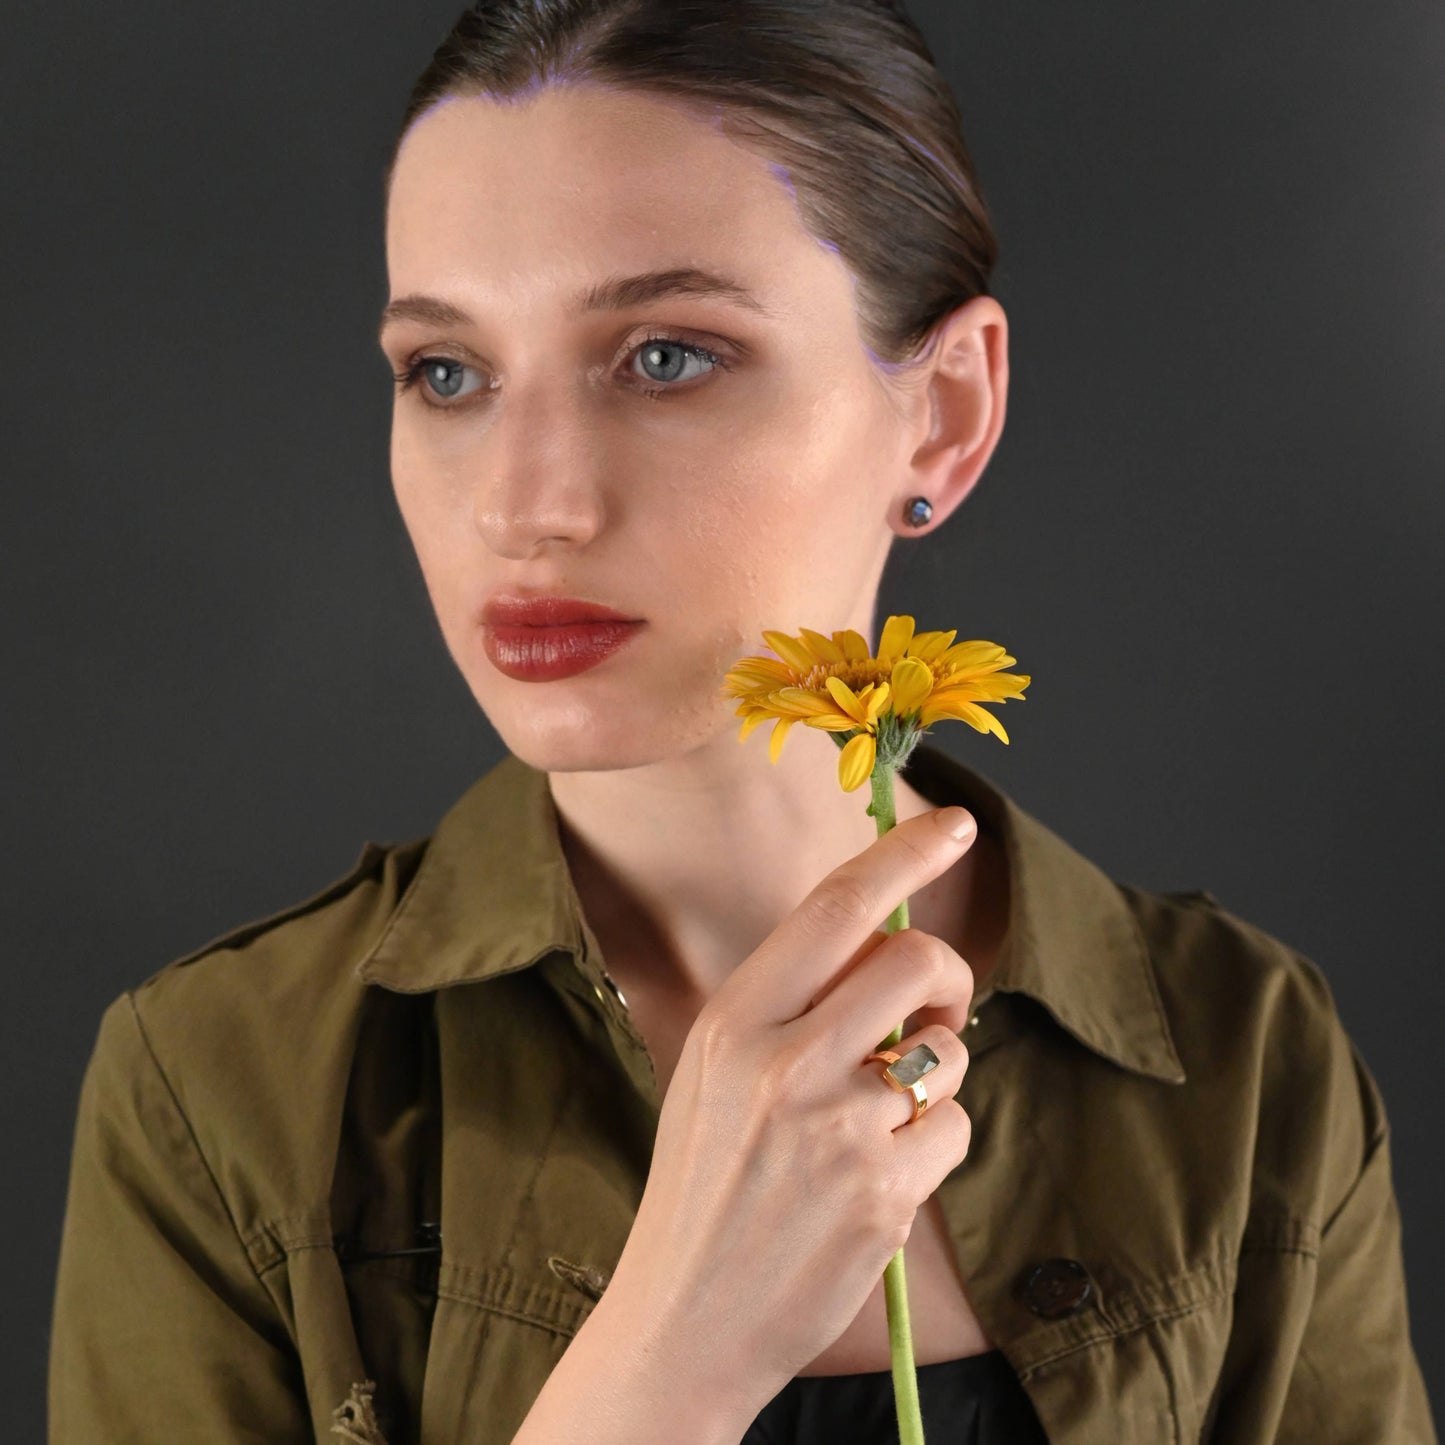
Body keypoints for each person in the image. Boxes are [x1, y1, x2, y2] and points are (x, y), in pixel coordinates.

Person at [48, 3, 1436, 1442]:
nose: (527, 504)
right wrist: (667, 1360)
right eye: (446, 373)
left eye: (665, 357)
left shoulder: (1247, 1058)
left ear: (943, 416)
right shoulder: (218, 1086)